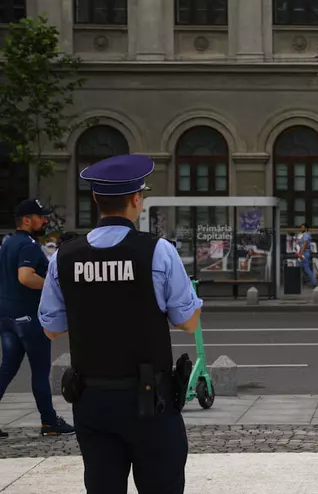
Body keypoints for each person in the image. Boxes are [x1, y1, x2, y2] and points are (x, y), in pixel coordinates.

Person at [38, 154, 203, 494]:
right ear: (136, 199)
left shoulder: (64, 257)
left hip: (92, 400)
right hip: (150, 402)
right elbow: (187, 322)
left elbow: (52, 329)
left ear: (96, 199)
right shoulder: (158, 251)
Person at [0, 200, 74, 438]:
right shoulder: (29, 246)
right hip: (29, 318)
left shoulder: (7, 242)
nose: (44, 221)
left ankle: (49, 420)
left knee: (7, 369)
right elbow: (25, 276)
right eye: (40, 217)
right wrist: (53, 288)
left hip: (8, 316)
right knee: (40, 371)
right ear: (26, 220)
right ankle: (49, 422)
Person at [296, 223, 318, 288]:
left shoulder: (306, 235)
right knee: (301, 268)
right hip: (302, 252)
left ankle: (314, 282)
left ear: (306, 228)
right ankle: (300, 282)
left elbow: (305, 245)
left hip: (304, 253)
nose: (301, 228)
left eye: (302, 227)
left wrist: (301, 254)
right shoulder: (303, 235)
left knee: (306, 268)